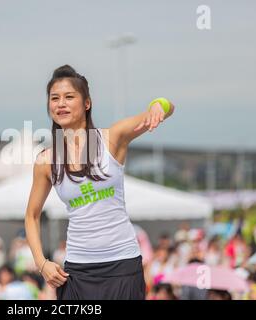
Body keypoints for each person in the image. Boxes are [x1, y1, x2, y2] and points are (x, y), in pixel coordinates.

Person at [24, 65, 175, 300]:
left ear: (87, 103)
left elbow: (167, 107)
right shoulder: (46, 160)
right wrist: (42, 263)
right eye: (54, 98)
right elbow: (31, 216)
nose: (60, 103)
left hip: (123, 266)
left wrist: (158, 105)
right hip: (77, 271)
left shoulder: (112, 138)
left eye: (69, 97)